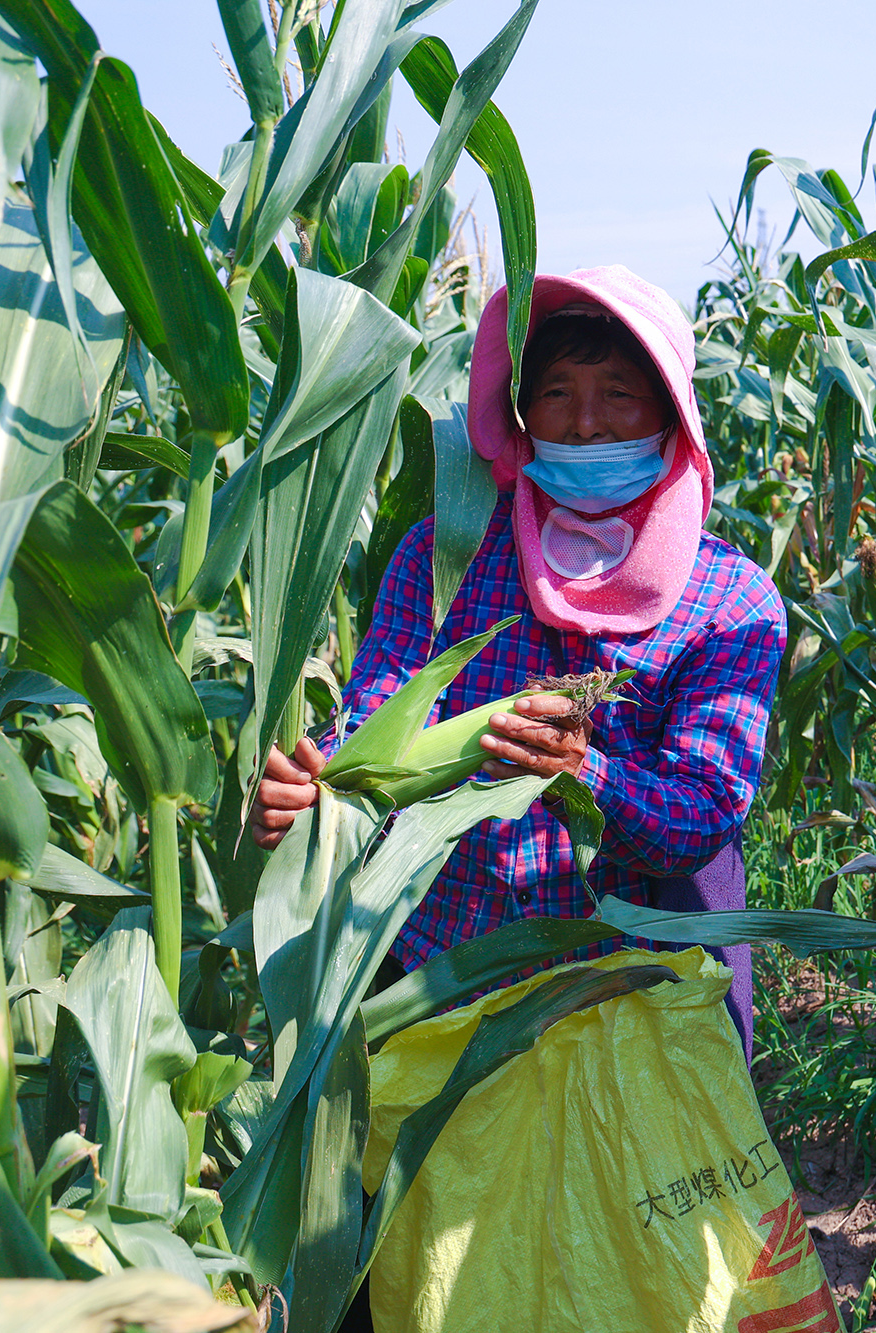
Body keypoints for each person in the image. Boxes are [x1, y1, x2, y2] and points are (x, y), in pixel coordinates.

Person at [249, 265, 786, 1051]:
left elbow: (702, 812)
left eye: (618, 393)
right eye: (558, 392)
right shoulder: (447, 554)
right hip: (441, 982)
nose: (586, 423)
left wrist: (583, 774)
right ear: (521, 414)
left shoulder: (730, 601)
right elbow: (379, 716)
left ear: (672, 416)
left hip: (631, 999)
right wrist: (315, 790)